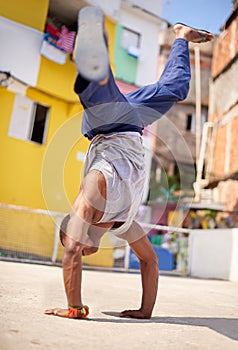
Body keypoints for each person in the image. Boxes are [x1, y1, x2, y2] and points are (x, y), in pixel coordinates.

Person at [44, 6, 214, 319]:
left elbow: (69, 254)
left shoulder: (89, 201)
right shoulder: (123, 224)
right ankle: (181, 37)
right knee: (175, 89)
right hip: (133, 123)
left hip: (106, 125)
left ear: (74, 228)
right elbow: (150, 261)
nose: (79, 250)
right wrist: (145, 310)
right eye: (78, 247)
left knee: (99, 88)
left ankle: (93, 41)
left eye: (75, 242)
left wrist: (74, 309)